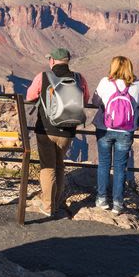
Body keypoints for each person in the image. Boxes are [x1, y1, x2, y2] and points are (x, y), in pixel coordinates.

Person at [24, 48, 90, 218]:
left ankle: (48, 206)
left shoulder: (43, 77)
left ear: (52, 61)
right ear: (68, 61)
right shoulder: (78, 78)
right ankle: (57, 201)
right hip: (68, 130)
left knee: (47, 167)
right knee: (59, 165)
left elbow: (30, 96)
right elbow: (85, 99)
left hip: (46, 129)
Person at [91, 56, 139, 214]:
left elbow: (94, 101)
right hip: (126, 131)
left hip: (104, 128)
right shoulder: (138, 84)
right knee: (121, 167)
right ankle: (118, 204)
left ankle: (101, 199)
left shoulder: (105, 82)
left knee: (104, 164)